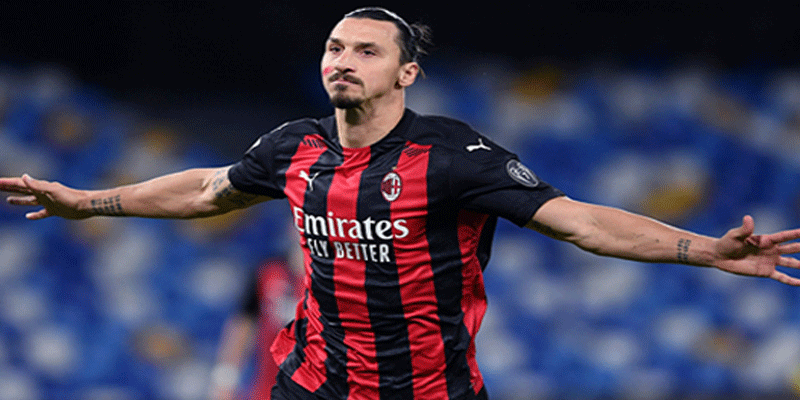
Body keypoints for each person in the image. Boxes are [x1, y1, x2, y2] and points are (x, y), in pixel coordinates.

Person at [2, 6, 800, 400]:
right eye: (334, 47)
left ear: (405, 73)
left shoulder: (453, 155)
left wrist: (704, 248)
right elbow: (208, 190)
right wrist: (89, 201)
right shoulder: (294, 144)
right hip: (311, 383)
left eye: (366, 50)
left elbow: (583, 223)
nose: (343, 61)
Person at [209, 256, 302, 400]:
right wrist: (225, 380)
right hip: (268, 388)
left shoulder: (337, 281)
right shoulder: (269, 271)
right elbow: (243, 323)